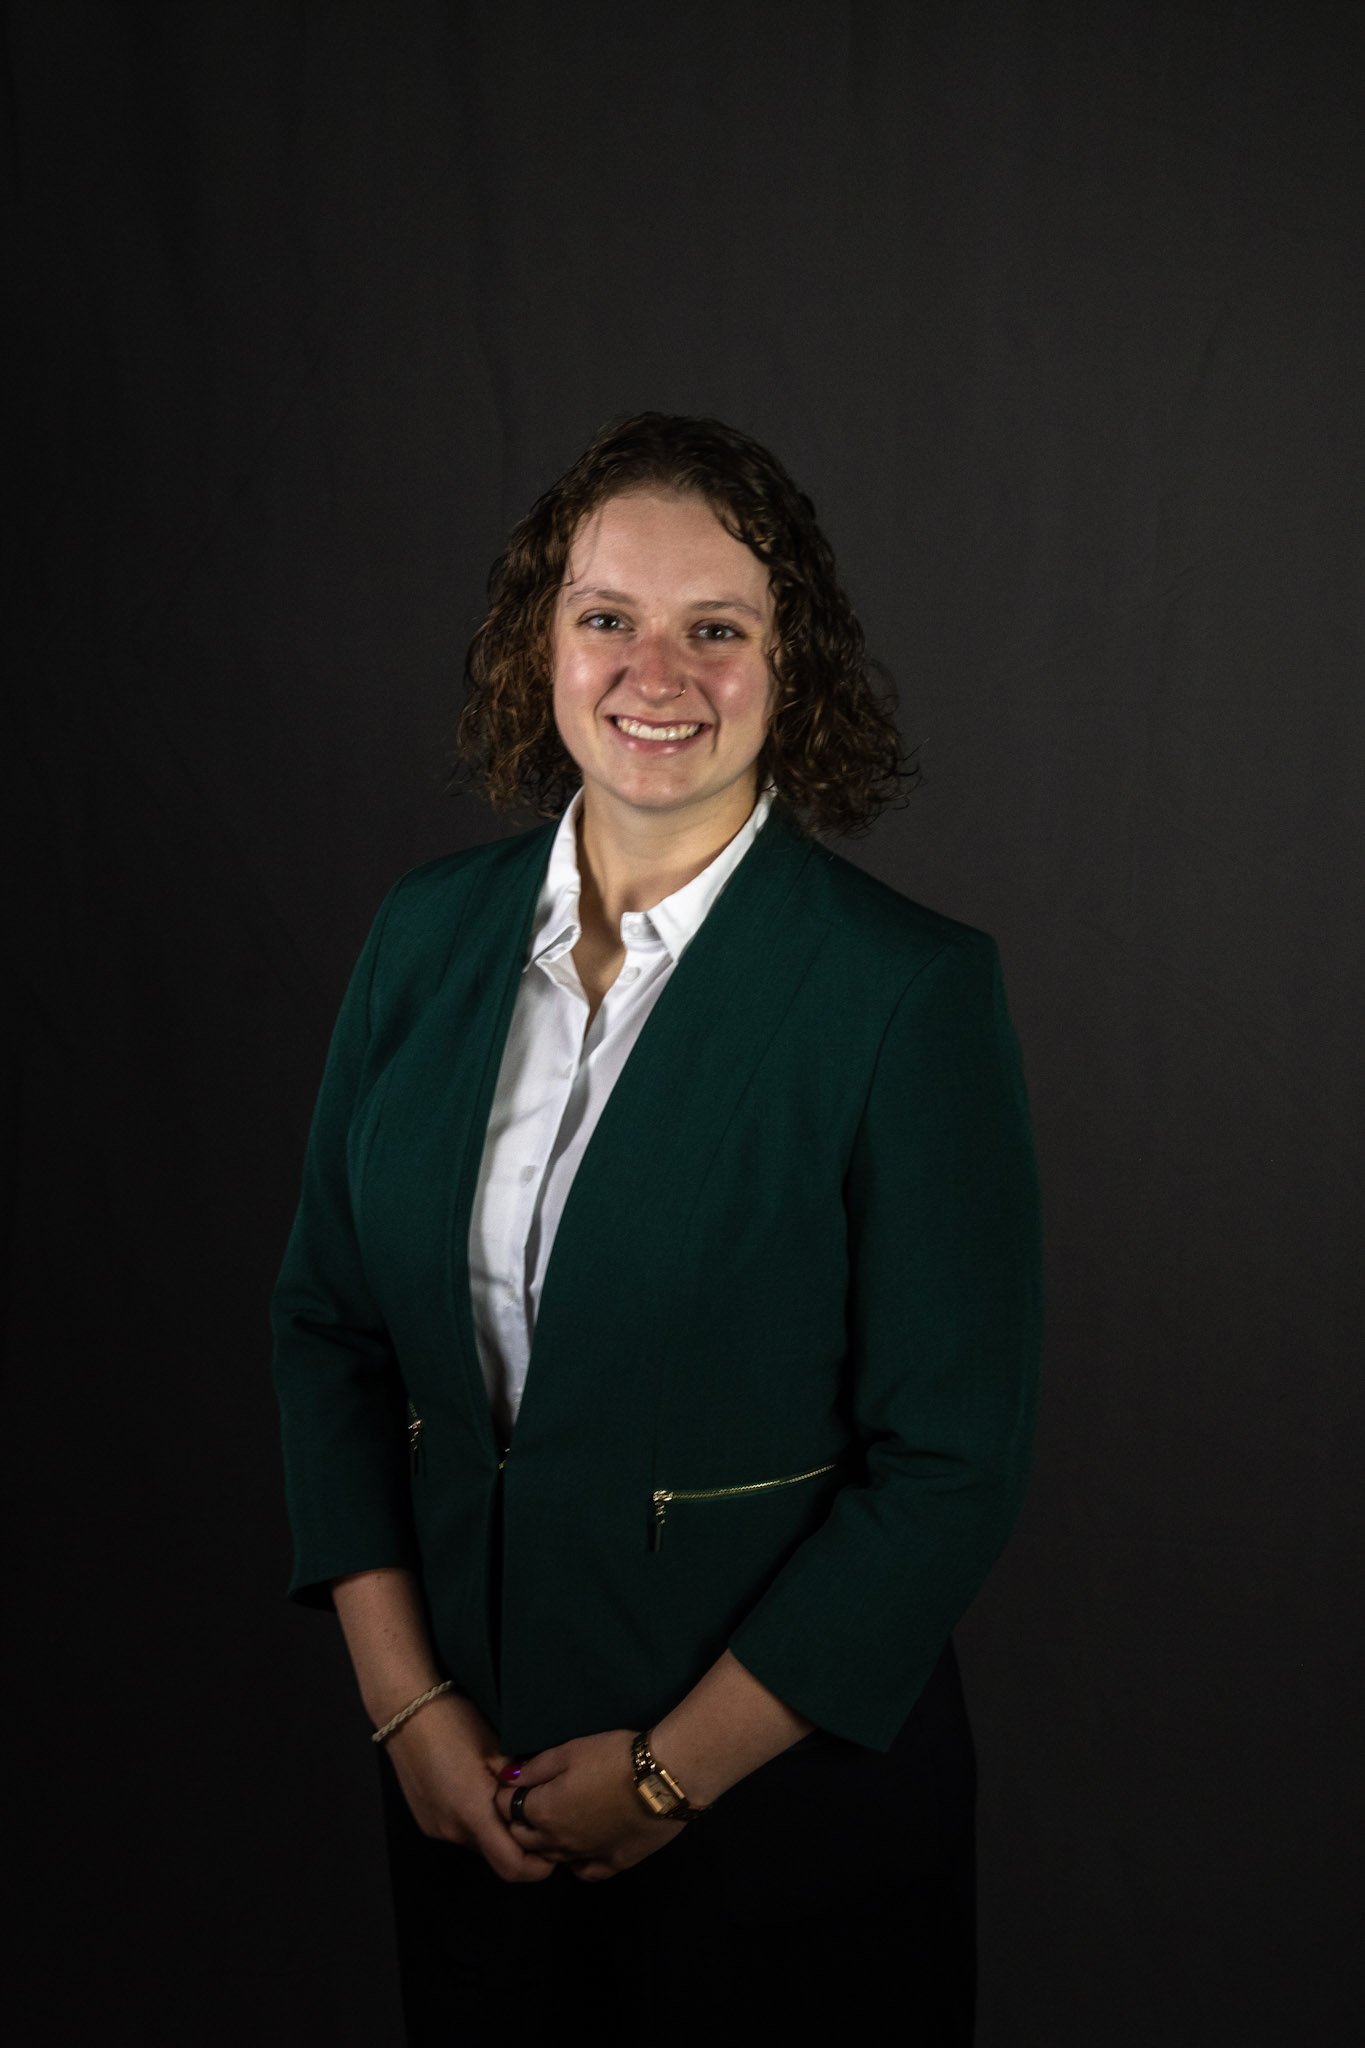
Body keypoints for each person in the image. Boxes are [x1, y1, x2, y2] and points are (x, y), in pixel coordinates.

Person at [270, 411, 1043, 2045]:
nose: (656, 674)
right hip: (470, 1802)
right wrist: (403, 1705)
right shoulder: (422, 935)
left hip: (785, 1827)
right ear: (537, 644)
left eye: (719, 628)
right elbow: (327, 1331)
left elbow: (949, 1465)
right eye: (606, 618)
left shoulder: (904, 993)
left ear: (793, 661)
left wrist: (661, 1777)